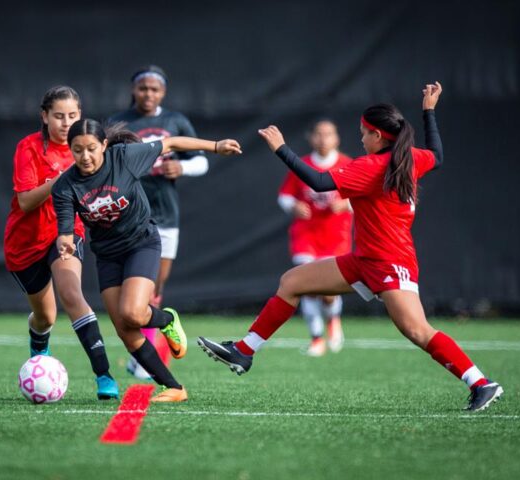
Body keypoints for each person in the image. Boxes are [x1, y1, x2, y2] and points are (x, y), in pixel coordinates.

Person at [198, 82, 504, 412]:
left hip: (389, 262)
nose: (360, 138)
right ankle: (245, 351)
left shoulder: (370, 166)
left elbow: (318, 182)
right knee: (292, 282)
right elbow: (438, 156)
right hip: (364, 259)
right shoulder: (410, 158)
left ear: (378, 136)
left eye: (364, 133)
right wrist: (429, 111)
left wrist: (280, 149)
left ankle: (481, 383)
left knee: (417, 330)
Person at [52, 118, 241, 403]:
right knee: (125, 330)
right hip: (107, 256)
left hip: (142, 243)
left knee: (134, 312)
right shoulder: (65, 186)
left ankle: (166, 320)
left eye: (91, 148)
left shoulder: (125, 157)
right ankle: (174, 388)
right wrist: (65, 241)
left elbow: (172, 143)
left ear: (104, 145)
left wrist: (215, 146)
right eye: (77, 150)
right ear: (71, 150)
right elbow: (65, 229)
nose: (85, 156)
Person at [3, 86, 119, 400]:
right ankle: (39, 345)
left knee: (71, 294)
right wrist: (60, 181)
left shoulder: (85, 148)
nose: (66, 122)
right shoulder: (28, 147)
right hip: (24, 244)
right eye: (58, 116)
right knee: (46, 318)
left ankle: (104, 375)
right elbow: (26, 202)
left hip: (66, 234)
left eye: (72, 115)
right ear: (44, 116)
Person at [109, 65, 209, 378]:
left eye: (154, 89)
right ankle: (141, 352)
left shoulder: (175, 121)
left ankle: (142, 356)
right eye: (143, 88)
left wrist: (182, 169)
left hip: (165, 215)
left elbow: (202, 160)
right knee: (130, 288)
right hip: (126, 216)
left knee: (154, 286)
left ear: (163, 92)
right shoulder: (117, 123)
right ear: (133, 90)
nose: (148, 94)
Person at [278, 119, 353, 356]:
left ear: (337, 138)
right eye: (319, 134)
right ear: (311, 138)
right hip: (306, 235)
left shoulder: (348, 165)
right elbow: (284, 196)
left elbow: (365, 196)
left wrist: (347, 203)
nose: (323, 139)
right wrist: (294, 206)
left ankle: (333, 320)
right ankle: (316, 338)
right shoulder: (302, 165)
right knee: (306, 285)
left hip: (336, 236)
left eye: (328, 134)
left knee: (329, 293)